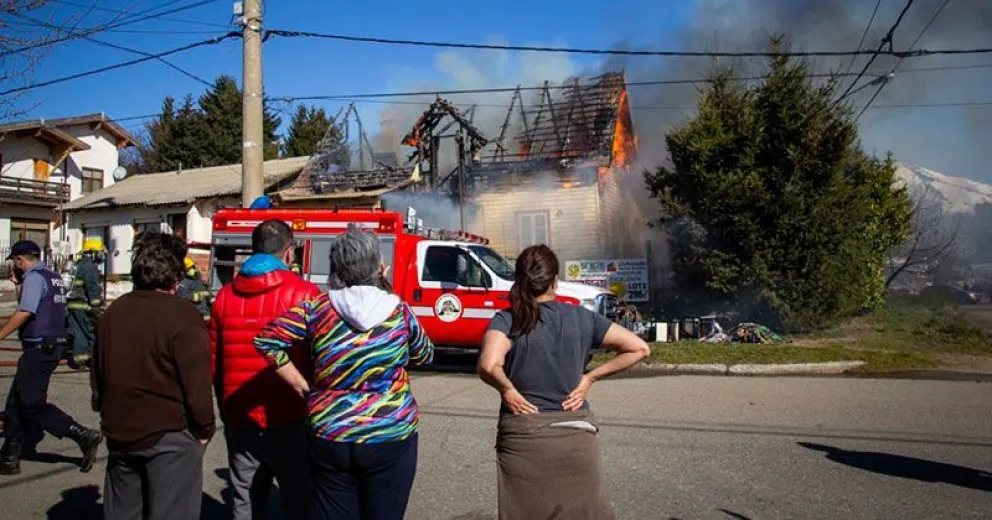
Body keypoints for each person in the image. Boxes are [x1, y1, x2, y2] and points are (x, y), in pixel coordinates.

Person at [254, 224, 434, 520]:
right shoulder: (398, 311)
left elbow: (266, 340)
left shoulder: (316, 309)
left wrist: (303, 386)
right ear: (379, 267)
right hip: (389, 433)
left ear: (336, 267)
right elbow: (425, 354)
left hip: (330, 433)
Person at [477, 244, 650, 520]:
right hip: (576, 434)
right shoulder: (583, 317)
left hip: (524, 436)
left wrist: (507, 389)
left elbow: (488, 364)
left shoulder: (507, 319)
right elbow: (639, 348)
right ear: (554, 281)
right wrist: (589, 378)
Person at [91, 232, 215, 519]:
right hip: (168, 436)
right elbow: (196, 383)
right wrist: (204, 428)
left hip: (120, 431)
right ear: (176, 277)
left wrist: (103, 408)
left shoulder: (114, 312)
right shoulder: (183, 316)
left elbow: (98, 371)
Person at [209, 219, 321, 520]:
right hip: (292, 416)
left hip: (241, 418)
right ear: (288, 253)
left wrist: (225, 410)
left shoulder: (224, 297)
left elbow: (215, 365)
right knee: (298, 500)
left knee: (245, 500)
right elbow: (320, 359)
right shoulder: (307, 295)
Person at [0, 240, 103, 476]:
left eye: (16, 263)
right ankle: (9, 455)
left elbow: (25, 311)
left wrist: (1, 334)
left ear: (19, 260)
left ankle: (81, 434)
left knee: (32, 404)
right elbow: (34, 303)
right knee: (16, 400)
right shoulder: (52, 275)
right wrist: (18, 284)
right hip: (51, 345)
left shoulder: (34, 278)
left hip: (39, 348)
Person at [65, 238, 105, 369]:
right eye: (99, 252)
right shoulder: (90, 267)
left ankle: (79, 360)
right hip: (84, 306)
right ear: (92, 252)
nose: (101, 255)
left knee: (78, 333)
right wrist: (97, 305)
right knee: (92, 332)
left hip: (71, 304)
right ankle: (96, 361)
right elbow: (92, 288)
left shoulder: (77, 264)